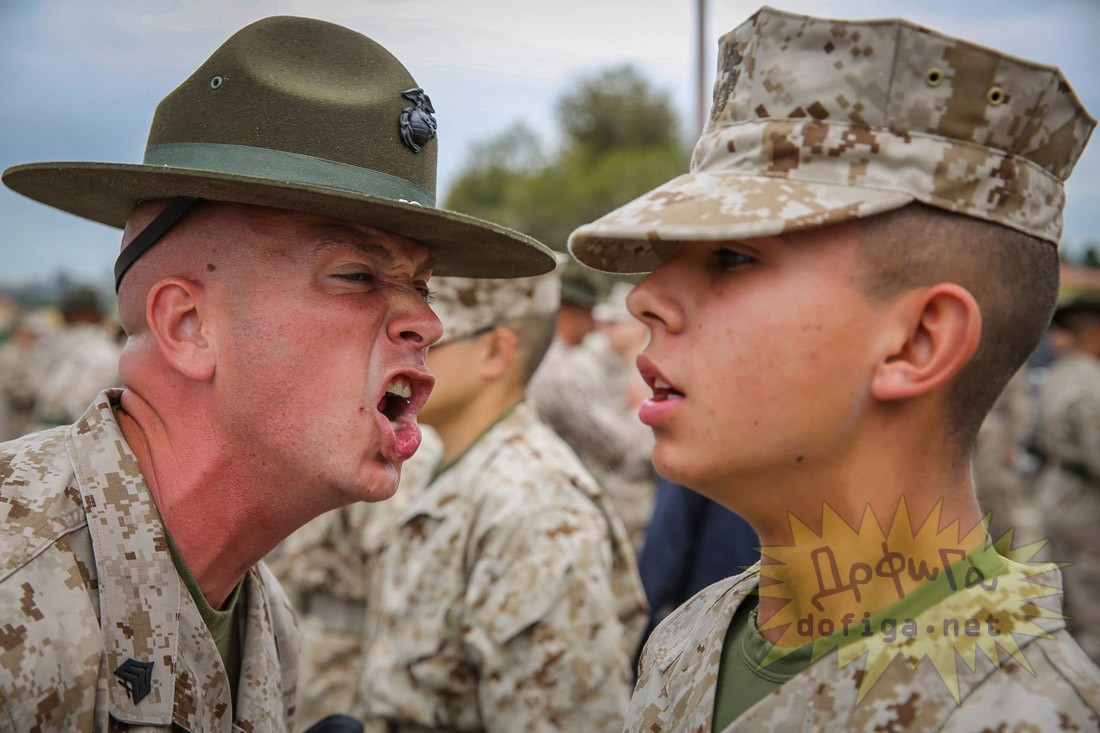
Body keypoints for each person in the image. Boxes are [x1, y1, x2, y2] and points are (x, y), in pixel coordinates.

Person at [0, 16, 552, 732]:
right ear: (188, 327)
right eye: (356, 275)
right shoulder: (16, 586)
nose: (427, 322)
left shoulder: (266, 623)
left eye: (423, 285)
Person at [568, 6, 1100, 730]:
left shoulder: (1031, 716)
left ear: (918, 342)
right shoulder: (691, 642)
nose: (647, 297)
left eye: (732, 256)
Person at [360, 272, 647, 733]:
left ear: (494, 353)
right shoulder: (432, 464)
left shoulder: (537, 508)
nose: (400, 353)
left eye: (434, 339)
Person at [270, 426, 442, 730]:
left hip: (354, 661)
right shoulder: (313, 434)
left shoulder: (401, 447)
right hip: (301, 646)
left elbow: (392, 575)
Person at [529, 267, 656, 552]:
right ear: (569, 311)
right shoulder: (563, 370)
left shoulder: (539, 356)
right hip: (567, 516)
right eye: (589, 314)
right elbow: (618, 448)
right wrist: (638, 409)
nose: (594, 326)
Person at [1032, 290, 1100, 664]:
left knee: (1067, 596)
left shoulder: (1059, 374)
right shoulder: (1091, 382)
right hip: (1086, 504)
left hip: (1057, 491)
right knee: (1092, 602)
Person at [28, 286, 122, 432]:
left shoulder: (56, 342)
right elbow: (79, 405)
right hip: (72, 434)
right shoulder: (102, 349)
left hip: (46, 432)